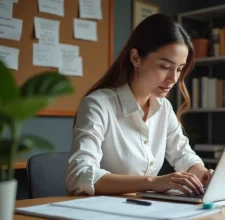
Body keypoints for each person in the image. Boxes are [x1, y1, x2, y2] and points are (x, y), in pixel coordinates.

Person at [65, 13, 214, 196]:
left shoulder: (163, 108)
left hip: (143, 208)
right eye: (164, 67)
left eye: (179, 69)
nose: (173, 79)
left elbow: (184, 156)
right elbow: (79, 175)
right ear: (135, 57)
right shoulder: (98, 105)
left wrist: (204, 175)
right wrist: (153, 182)